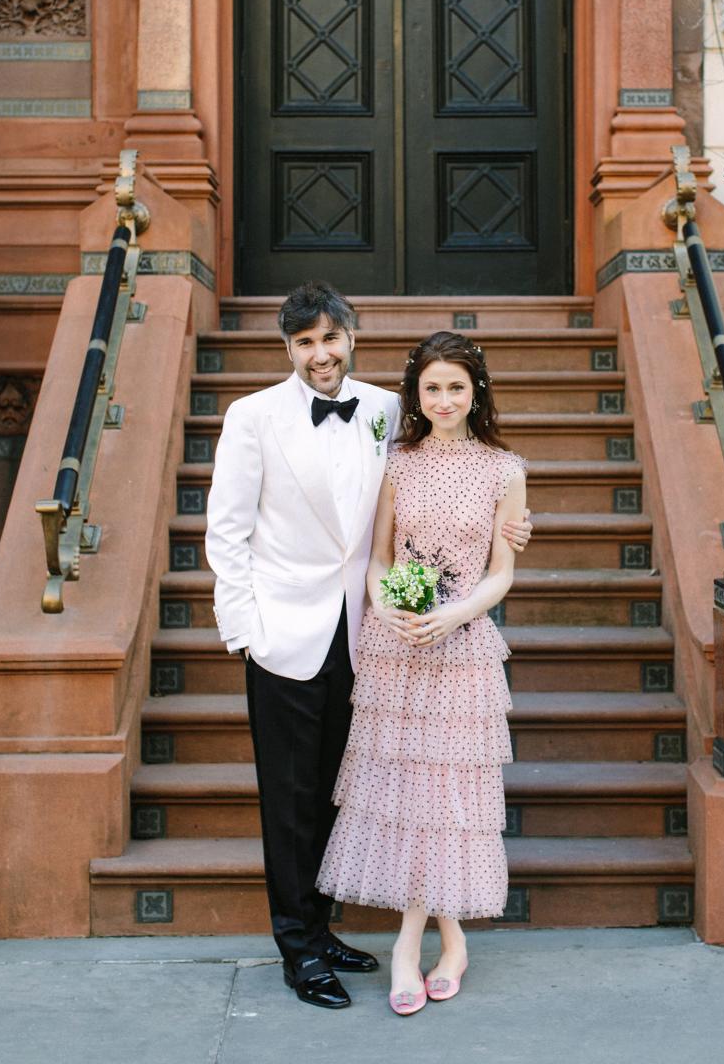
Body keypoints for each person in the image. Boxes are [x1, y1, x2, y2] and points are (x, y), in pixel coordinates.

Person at [205, 284, 531, 1010]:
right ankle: (298, 949)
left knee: (336, 794)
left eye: (330, 338)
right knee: (288, 800)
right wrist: (245, 633)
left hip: (374, 637)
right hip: (285, 636)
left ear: (351, 337)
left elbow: (448, 488)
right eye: (304, 343)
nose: (320, 354)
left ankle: (323, 931)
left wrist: (512, 530)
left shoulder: (389, 411)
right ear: (287, 349)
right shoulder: (252, 416)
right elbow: (225, 532)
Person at [317, 330, 527, 1016]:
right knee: (407, 793)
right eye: (431, 387)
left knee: (446, 793)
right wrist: (387, 604)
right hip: (396, 646)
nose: (443, 399)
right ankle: (452, 942)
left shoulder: (504, 469)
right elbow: (377, 558)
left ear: (477, 392)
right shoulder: (397, 463)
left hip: (460, 645)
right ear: (416, 394)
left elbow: (502, 574)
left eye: (456, 387)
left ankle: (408, 945)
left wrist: (453, 614)